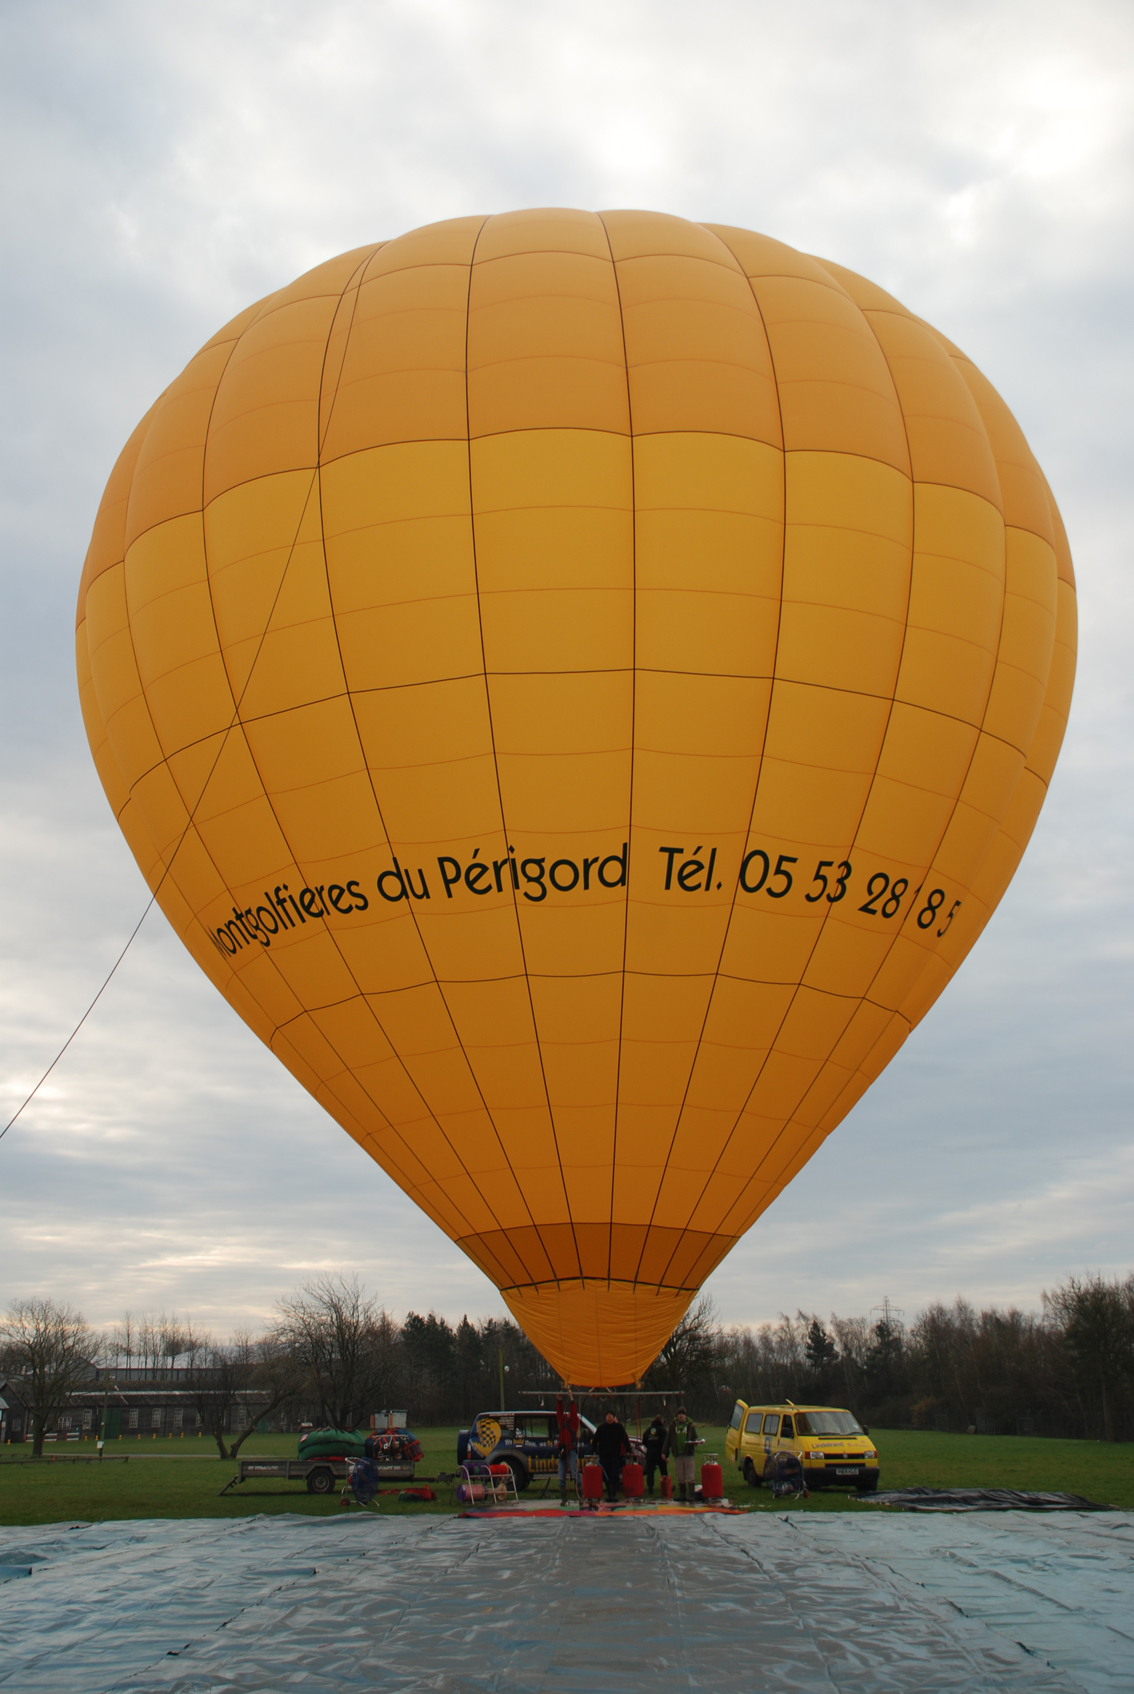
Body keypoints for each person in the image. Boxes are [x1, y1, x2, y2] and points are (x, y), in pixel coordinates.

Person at [590, 1409, 630, 1502]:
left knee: (614, 1475)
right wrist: (593, 1451)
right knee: (606, 1475)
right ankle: (609, 1494)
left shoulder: (619, 1427)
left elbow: (625, 1440)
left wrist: (628, 1451)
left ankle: (614, 1494)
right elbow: (595, 1441)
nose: (609, 1416)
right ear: (605, 1417)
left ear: (613, 1417)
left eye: (611, 1415)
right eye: (607, 1415)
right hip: (604, 1455)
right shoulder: (601, 1428)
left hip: (615, 1456)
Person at [665, 1406, 699, 1503]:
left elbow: (695, 1437)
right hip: (678, 1454)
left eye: (682, 1414)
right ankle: (682, 1494)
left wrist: (696, 1442)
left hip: (688, 1453)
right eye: (679, 1414)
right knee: (680, 1474)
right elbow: (668, 1439)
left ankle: (691, 1494)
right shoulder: (673, 1425)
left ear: (685, 1416)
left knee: (690, 1474)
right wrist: (664, 1452)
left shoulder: (690, 1425)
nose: (681, 1416)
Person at [555, 1393, 580, 1504]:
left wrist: (571, 1400)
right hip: (562, 1451)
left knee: (575, 1473)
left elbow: (573, 1412)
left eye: (570, 1412)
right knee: (561, 1475)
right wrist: (559, 1400)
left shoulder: (574, 1423)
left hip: (570, 1450)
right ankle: (563, 1498)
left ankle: (580, 1496)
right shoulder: (562, 1421)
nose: (568, 1414)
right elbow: (559, 1412)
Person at [642, 1412, 669, 1496]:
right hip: (661, 1453)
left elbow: (644, 1441)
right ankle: (665, 1487)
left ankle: (650, 1488)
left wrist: (650, 1446)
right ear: (662, 1421)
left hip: (650, 1453)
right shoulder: (663, 1430)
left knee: (650, 1472)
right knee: (663, 1471)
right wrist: (666, 1454)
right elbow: (666, 1443)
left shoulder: (648, 1430)